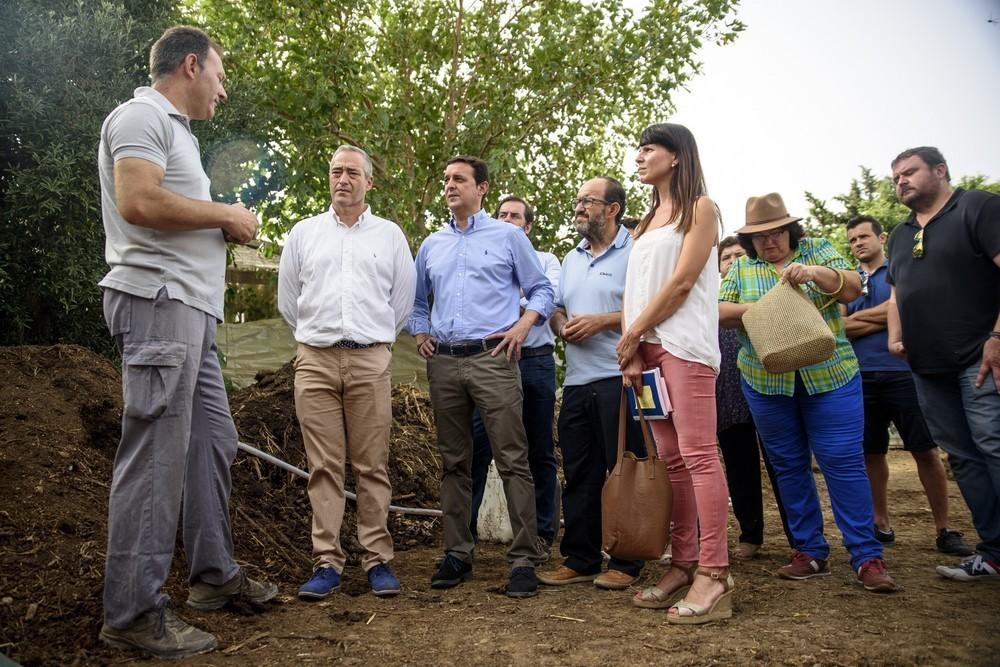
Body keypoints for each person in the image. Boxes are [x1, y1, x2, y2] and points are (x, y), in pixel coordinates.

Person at [96, 26, 277, 659]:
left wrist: (216, 226)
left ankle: (212, 577)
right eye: (221, 77)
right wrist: (226, 214)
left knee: (212, 441)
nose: (223, 92)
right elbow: (139, 200)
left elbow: (168, 208)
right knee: (156, 458)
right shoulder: (141, 115)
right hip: (158, 303)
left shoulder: (178, 136)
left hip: (190, 311)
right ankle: (133, 612)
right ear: (192, 66)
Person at [719, 192, 898, 594]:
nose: (770, 242)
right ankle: (810, 551)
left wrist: (815, 274)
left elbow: (851, 288)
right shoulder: (743, 269)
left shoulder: (817, 249)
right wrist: (763, 306)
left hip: (830, 377)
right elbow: (720, 311)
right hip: (766, 382)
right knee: (787, 465)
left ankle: (867, 556)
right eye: (760, 236)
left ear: (790, 229)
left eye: (777, 232)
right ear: (748, 240)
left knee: (843, 461)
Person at [408, 156, 554, 598]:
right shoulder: (432, 244)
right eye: (446, 179)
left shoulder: (508, 237)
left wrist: (523, 326)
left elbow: (543, 290)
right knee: (455, 462)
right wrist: (419, 333)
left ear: (482, 188)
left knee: (513, 457)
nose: (450, 185)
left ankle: (525, 558)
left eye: (459, 179)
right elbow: (416, 303)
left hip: (493, 359)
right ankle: (457, 554)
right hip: (445, 363)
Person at [278, 145, 417, 600]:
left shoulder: (390, 236)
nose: (343, 179)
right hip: (314, 361)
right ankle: (327, 562)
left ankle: (377, 560)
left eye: (353, 172)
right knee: (323, 467)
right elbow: (289, 300)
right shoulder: (304, 233)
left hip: (370, 359)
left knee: (372, 465)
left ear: (369, 182)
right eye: (336, 171)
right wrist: (318, 338)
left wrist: (372, 342)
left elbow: (401, 302)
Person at [617, 122, 733, 624]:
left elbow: (684, 281)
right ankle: (683, 563)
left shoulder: (701, 209)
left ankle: (716, 572)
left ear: (677, 156)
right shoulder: (642, 225)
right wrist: (632, 348)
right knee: (671, 458)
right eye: (638, 151)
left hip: (685, 347)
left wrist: (635, 331)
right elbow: (631, 292)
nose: (639, 158)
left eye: (649, 150)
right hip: (647, 351)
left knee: (700, 455)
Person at [885, 146, 1000, 581]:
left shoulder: (979, 208)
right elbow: (896, 295)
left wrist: (997, 337)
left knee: (993, 445)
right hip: (927, 367)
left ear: (940, 170)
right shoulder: (899, 234)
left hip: (980, 357)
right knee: (964, 457)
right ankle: (992, 552)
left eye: (909, 172)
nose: (901, 182)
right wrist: (896, 336)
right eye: (896, 177)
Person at [536, 176, 646, 591]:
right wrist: (562, 325)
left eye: (588, 201)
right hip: (578, 382)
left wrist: (603, 320)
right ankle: (580, 558)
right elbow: (559, 307)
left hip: (622, 376)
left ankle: (627, 560)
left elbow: (652, 306)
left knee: (625, 471)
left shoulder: (636, 251)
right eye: (578, 200)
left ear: (613, 209)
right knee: (580, 472)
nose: (579, 207)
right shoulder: (572, 258)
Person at [842, 214, 971, 556]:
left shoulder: (900, 270)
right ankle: (880, 523)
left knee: (925, 450)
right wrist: (886, 315)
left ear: (881, 238)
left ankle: (944, 528)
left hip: (903, 372)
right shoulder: (848, 282)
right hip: (860, 376)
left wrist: (875, 315)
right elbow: (839, 327)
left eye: (864, 237)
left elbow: (905, 307)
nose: (858, 243)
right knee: (871, 453)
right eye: (852, 239)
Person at [469, 196, 560, 557]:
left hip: (535, 362)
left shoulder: (546, 261)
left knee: (538, 449)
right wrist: (521, 296)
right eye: (501, 214)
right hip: (489, 362)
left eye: (515, 216)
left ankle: (541, 536)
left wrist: (510, 297)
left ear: (529, 226)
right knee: (477, 449)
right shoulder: (481, 258)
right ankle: (464, 540)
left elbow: (547, 299)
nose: (507, 220)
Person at [715, 236, 792, 560]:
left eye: (738, 255)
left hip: (770, 387)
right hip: (729, 395)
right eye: (725, 257)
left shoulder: (767, 294)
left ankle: (798, 535)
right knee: (738, 465)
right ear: (719, 267)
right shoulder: (714, 303)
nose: (732, 260)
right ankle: (750, 534)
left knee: (783, 463)